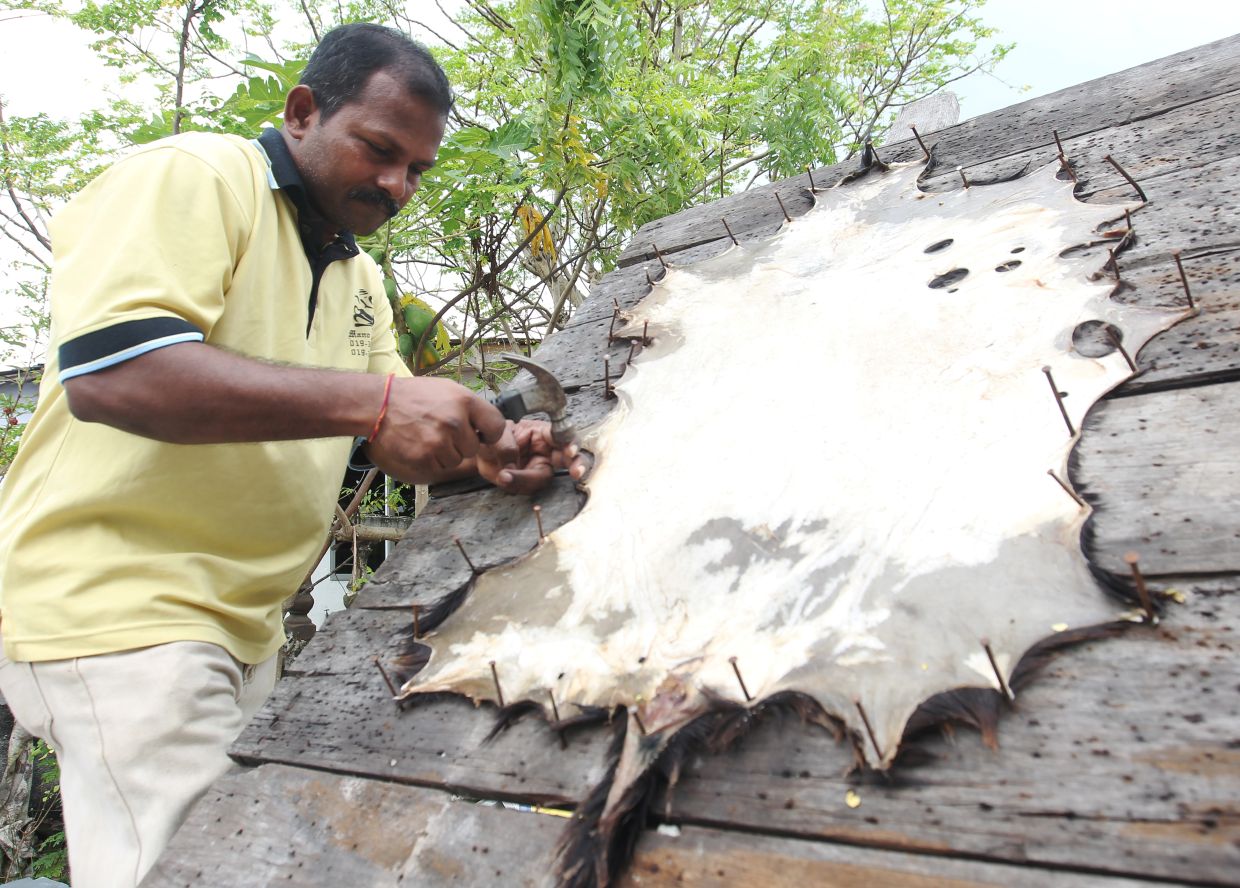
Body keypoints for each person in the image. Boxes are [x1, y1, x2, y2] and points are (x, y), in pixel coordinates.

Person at [0, 23, 582, 888]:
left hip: (243, 631)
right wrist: (381, 399)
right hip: (119, 614)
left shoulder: (356, 278)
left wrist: (491, 456)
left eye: (417, 170)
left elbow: (393, 436)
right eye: (380, 150)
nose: (397, 186)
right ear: (303, 112)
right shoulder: (197, 177)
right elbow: (116, 375)